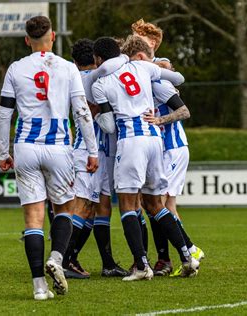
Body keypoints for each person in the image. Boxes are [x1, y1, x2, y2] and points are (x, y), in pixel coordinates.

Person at [0, 16, 98, 300]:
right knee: (64, 209)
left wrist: (3, 152)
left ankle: (39, 287)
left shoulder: (16, 68)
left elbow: (5, 113)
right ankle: (56, 257)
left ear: (27, 40)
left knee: (33, 218)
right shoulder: (67, 68)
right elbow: (81, 111)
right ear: (52, 36)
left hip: (26, 147)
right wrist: (92, 150)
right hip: (58, 149)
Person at [92, 37, 199, 281]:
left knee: (129, 205)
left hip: (130, 141)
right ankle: (186, 257)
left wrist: (96, 117)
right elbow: (178, 79)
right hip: (154, 138)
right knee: (156, 204)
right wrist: (162, 68)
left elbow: (108, 125)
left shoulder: (101, 82)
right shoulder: (142, 67)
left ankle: (141, 266)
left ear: (98, 59)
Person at [122, 35, 204, 276]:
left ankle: (188, 250)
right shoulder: (142, 75)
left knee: (161, 205)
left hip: (172, 148)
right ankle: (166, 259)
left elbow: (184, 110)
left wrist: (160, 120)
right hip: (158, 149)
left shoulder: (156, 75)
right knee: (154, 205)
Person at [63, 39, 128, 279]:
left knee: (97, 208)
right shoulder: (96, 78)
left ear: (74, 61)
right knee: (84, 207)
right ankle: (64, 259)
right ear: (97, 58)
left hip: (95, 152)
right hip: (91, 152)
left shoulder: (81, 78)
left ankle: (106, 263)